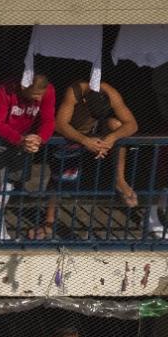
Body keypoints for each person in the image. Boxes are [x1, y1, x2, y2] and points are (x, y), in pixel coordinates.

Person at [53, 78, 139, 229]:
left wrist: (111, 138)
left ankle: (120, 179)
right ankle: (49, 220)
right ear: (84, 101)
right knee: (59, 179)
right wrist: (84, 140)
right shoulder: (74, 91)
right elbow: (59, 124)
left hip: (96, 132)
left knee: (115, 125)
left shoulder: (110, 93)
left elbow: (132, 125)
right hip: (71, 134)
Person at [0, 73, 56, 240]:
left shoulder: (48, 91)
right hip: (1, 141)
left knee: (12, 181)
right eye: (35, 94)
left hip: (26, 141)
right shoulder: (6, 90)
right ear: (24, 87)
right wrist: (19, 140)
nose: (39, 99)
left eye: (41, 95)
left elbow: (48, 120)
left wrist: (39, 138)